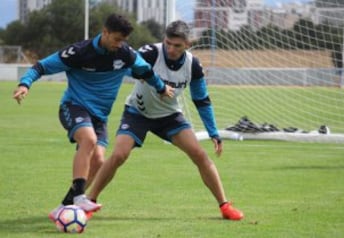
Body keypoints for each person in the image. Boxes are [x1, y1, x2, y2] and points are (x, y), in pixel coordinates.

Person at [12, 13, 173, 222]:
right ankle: (80, 196)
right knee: (88, 140)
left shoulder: (125, 54)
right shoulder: (79, 52)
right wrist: (25, 84)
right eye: (116, 39)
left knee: (98, 160)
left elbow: (146, 71)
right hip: (73, 106)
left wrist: (161, 88)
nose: (120, 44)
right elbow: (41, 66)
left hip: (100, 117)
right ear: (104, 32)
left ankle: (63, 207)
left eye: (124, 40)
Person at [87, 20, 244, 220]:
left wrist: (213, 132)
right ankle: (89, 202)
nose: (170, 49)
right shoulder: (151, 52)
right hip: (138, 112)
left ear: (187, 44)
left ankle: (225, 206)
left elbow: (201, 100)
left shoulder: (193, 65)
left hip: (169, 116)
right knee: (119, 155)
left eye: (177, 45)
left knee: (199, 154)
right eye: (168, 43)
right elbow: (124, 64)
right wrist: (137, 72)